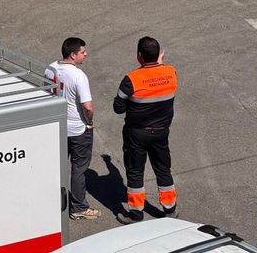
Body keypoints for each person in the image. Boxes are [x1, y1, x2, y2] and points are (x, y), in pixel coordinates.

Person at [113, 37, 178, 224]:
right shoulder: (171, 73)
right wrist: (160, 64)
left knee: (135, 171)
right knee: (163, 169)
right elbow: (160, 76)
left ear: (139, 56)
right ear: (159, 55)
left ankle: (135, 213)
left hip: (137, 133)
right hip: (161, 131)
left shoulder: (131, 79)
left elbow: (118, 107)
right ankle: (169, 209)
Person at [45, 37, 100, 220]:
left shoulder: (50, 69)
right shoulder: (78, 76)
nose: (86, 55)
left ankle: (51, 201)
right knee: (79, 168)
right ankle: (78, 208)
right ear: (73, 54)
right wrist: (89, 122)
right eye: (82, 52)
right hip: (77, 129)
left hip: (59, 125)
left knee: (58, 165)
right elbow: (88, 106)